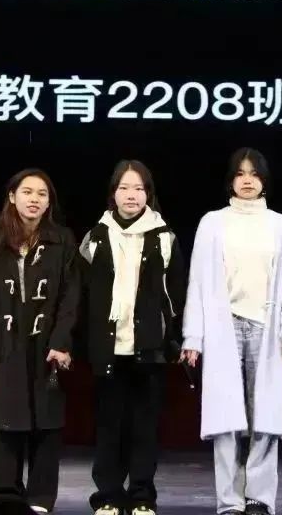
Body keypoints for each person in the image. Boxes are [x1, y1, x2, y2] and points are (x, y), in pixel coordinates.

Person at [181, 147, 282, 515]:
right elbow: (198, 283)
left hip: (266, 329)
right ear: (230, 180)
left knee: (265, 418)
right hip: (224, 327)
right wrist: (193, 338)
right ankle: (230, 501)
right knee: (226, 419)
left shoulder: (281, 225)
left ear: (264, 180)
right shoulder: (212, 223)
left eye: (254, 173)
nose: (247, 180)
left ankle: (259, 498)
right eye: (240, 173)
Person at [0, 168, 82, 514]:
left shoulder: (62, 241)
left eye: (42, 194)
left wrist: (62, 341)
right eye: (27, 192)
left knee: (47, 420)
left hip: (47, 344)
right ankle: (8, 497)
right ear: (12, 197)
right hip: (6, 345)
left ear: (49, 202)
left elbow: (71, 296)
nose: (34, 199)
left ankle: (41, 498)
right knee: (5, 421)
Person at [78, 160, 188, 515]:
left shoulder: (164, 237)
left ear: (148, 194)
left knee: (144, 427)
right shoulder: (96, 236)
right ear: (113, 193)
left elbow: (177, 295)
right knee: (109, 427)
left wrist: (176, 339)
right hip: (108, 348)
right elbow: (82, 294)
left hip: (149, 348)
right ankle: (108, 496)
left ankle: (142, 496)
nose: (131, 195)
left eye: (139, 188)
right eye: (124, 188)